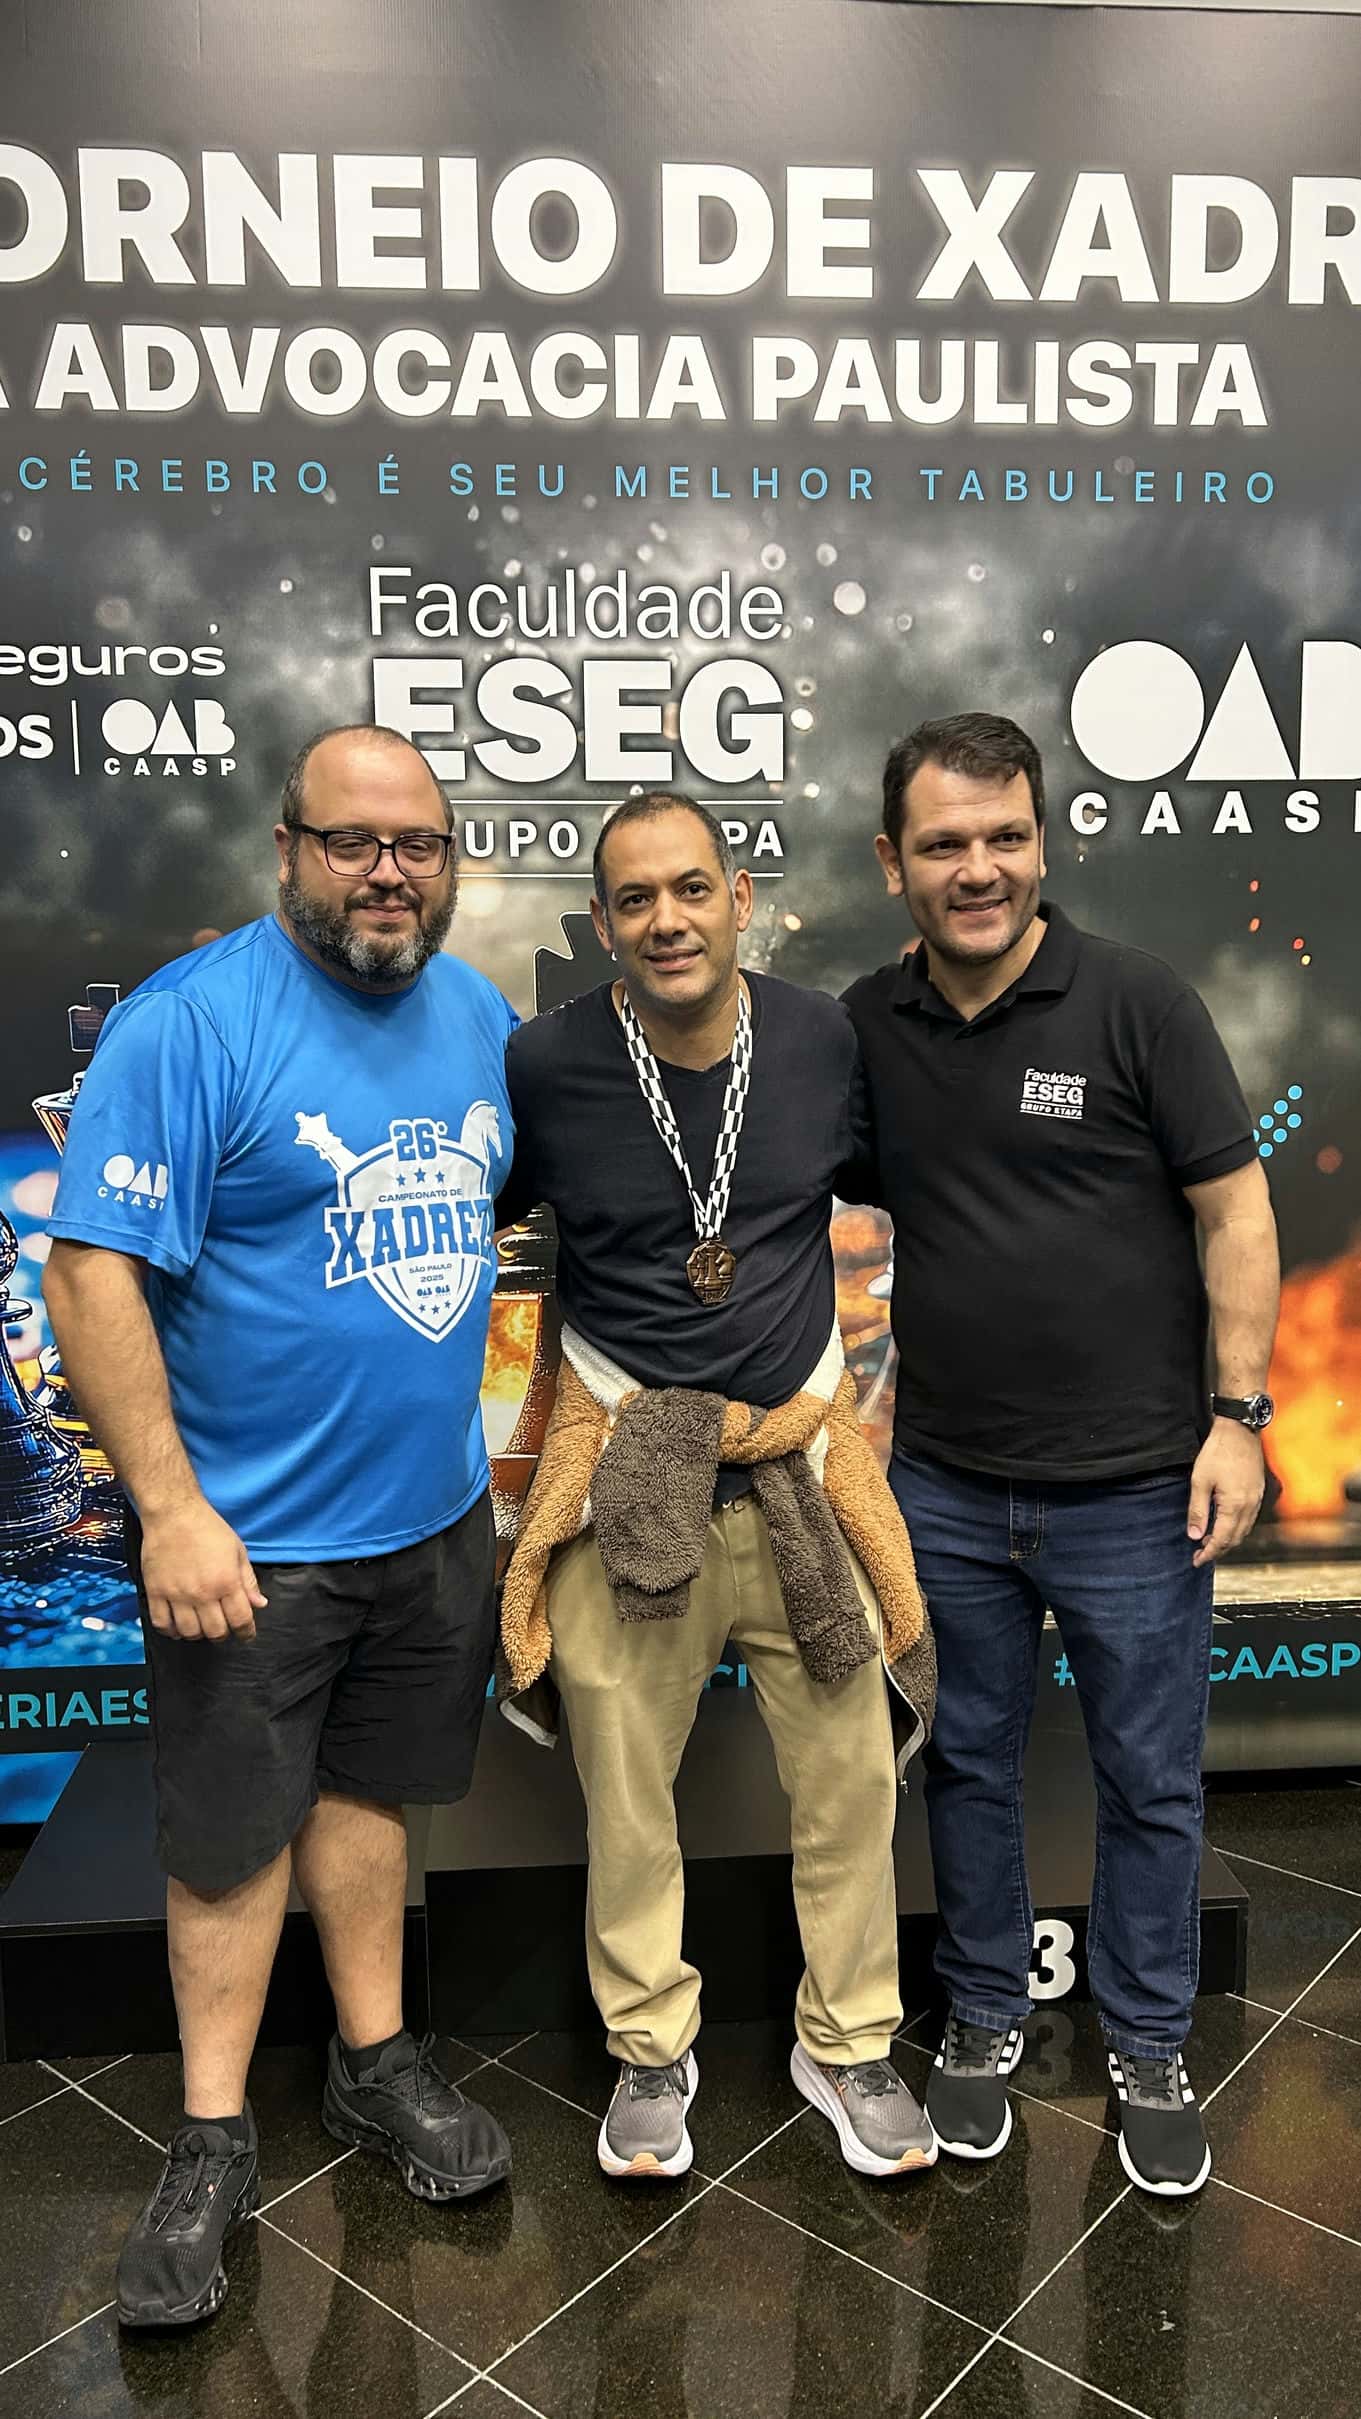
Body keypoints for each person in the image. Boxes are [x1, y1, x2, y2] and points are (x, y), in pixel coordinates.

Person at [43, 725, 515, 2332]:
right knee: (234, 1839)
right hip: (249, 1547)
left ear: (447, 860)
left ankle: (374, 2065)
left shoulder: (475, 1013)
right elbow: (88, 1275)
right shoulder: (192, 1023)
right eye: (352, 841)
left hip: (431, 1522)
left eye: (417, 844)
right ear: (290, 847)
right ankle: (211, 2133)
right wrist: (170, 1511)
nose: (387, 872)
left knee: (371, 1799)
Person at [843, 712, 1280, 2197]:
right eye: (945, 844)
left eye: (1005, 837)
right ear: (893, 862)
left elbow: (1235, 1211)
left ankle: (1148, 2042)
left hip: (1140, 1491)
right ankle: (982, 2016)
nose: (979, 869)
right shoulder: (867, 1026)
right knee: (963, 1764)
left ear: (1041, 842)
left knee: (1149, 1781)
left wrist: (1239, 1421)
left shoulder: (1139, 1003)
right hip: (945, 1487)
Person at [495, 791, 937, 2183]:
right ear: (601, 922)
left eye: (691, 889)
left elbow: (924, 1188)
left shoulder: (819, 1038)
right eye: (634, 899)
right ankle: (649, 2051)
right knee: (626, 1792)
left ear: (740, 897)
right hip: (631, 1474)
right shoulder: (545, 1063)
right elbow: (476, 1232)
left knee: (852, 1779)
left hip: (796, 1473)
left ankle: (848, 2043)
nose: (667, 920)